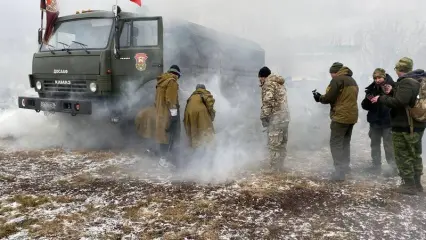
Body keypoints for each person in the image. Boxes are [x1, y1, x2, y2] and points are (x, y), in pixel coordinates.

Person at [371, 57, 426, 195]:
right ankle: (417, 184)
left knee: (403, 155)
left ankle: (408, 185)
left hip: (405, 125)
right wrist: (393, 91)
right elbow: (407, 99)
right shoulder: (418, 80)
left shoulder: (407, 82)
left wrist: (381, 98)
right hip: (416, 124)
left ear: (398, 69)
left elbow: (399, 102)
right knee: (414, 154)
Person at [313, 62, 359, 181]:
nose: (331, 76)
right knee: (345, 142)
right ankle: (345, 167)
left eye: (332, 73)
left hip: (341, 117)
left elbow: (329, 97)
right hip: (352, 116)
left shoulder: (337, 80)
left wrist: (319, 98)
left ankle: (339, 172)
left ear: (335, 72)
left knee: (336, 143)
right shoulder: (352, 80)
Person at [361, 68, 397, 176]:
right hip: (375, 121)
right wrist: (368, 100)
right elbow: (364, 106)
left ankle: (392, 169)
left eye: (379, 77)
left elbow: (396, 103)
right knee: (375, 145)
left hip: (388, 121)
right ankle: (376, 166)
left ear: (384, 77)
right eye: (375, 78)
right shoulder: (371, 88)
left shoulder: (392, 87)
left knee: (389, 146)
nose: (377, 80)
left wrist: (381, 98)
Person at [258, 66, 290, 172]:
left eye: (260, 78)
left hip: (276, 118)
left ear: (263, 77)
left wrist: (264, 117)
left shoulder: (268, 84)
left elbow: (268, 102)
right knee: (282, 143)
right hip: (285, 117)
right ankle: (280, 166)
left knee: (274, 144)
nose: (260, 81)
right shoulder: (280, 84)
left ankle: (274, 168)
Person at [154, 65, 181, 167]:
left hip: (160, 114)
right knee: (170, 136)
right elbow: (171, 100)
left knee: (163, 137)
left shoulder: (160, 82)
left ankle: (162, 160)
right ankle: (167, 162)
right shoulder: (172, 82)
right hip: (167, 115)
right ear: (176, 74)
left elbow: (156, 101)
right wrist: (174, 114)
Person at [183, 84, 216, 149]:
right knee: (206, 131)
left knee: (194, 133)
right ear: (204, 88)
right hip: (200, 112)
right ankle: (210, 149)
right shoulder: (204, 93)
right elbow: (210, 104)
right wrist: (212, 115)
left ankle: (195, 151)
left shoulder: (191, 97)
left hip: (188, 114)